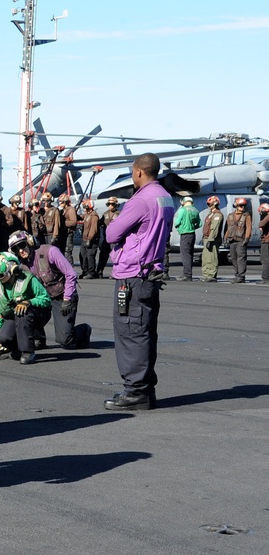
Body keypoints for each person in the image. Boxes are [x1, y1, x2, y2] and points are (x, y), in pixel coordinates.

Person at [104, 153, 174, 411]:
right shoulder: (165, 197)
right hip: (151, 273)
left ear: (139, 172)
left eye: (133, 172)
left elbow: (112, 234)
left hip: (133, 275)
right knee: (144, 333)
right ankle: (145, 388)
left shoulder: (140, 200)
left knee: (130, 332)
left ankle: (136, 391)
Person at [8, 230, 89, 350]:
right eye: (15, 249)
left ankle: (84, 330)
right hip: (43, 298)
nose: (20, 250)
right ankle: (38, 338)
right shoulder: (20, 264)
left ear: (29, 242)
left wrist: (67, 299)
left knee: (65, 340)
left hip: (61, 295)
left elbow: (71, 274)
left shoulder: (50, 251)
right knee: (25, 307)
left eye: (22, 245)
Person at [0, 251, 50, 364]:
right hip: (13, 315)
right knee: (3, 337)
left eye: (1, 274)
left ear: (12, 269)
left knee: (22, 311)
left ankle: (28, 352)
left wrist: (29, 302)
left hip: (36, 313)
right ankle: (17, 348)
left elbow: (45, 298)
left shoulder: (28, 279)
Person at [223, 198, 252, 283]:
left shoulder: (246, 216)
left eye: (244, 206)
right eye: (240, 206)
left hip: (241, 240)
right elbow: (228, 228)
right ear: (236, 206)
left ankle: (241, 276)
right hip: (232, 240)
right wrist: (225, 238)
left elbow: (249, 227)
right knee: (233, 258)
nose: (242, 207)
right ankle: (237, 274)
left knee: (241, 259)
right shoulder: (230, 216)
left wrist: (246, 238)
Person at [172, 196, 200, 281]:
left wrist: (180, 228)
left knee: (185, 255)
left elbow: (176, 222)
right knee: (190, 254)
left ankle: (187, 275)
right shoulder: (195, 210)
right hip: (192, 234)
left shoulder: (182, 210)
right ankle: (188, 273)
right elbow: (199, 224)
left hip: (184, 234)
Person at [200, 196, 223, 283]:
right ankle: (206, 274)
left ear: (215, 204)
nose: (208, 206)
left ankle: (211, 275)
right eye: (208, 204)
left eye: (210, 204)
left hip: (212, 239)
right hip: (206, 237)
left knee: (212, 258)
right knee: (205, 258)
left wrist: (211, 239)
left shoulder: (217, 215)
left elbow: (215, 228)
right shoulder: (210, 214)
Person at [96, 197, 119, 278]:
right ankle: (99, 272)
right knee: (102, 256)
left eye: (112, 204)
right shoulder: (105, 214)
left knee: (115, 257)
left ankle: (115, 273)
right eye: (109, 204)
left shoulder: (119, 214)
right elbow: (99, 223)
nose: (110, 206)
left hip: (115, 239)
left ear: (116, 205)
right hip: (106, 238)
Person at [78, 199, 100, 279]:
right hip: (84, 239)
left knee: (90, 256)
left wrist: (89, 239)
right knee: (82, 255)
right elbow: (81, 217)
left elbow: (93, 229)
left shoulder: (94, 216)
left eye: (85, 206)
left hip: (91, 240)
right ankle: (85, 271)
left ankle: (91, 272)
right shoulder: (87, 215)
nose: (84, 208)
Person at [57, 193, 79, 266]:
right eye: (59, 202)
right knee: (62, 250)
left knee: (67, 251)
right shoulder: (63, 210)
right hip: (63, 234)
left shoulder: (71, 210)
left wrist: (63, 223)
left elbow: (73, 222)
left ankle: (70, 268)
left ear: (66, 202)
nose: (60, 203)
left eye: (62, 202)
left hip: (68, 234)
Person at [259, 202, 269, 284]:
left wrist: (263, 217)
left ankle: (265, 278)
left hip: (267, 241)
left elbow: (261, 224)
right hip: (266, 240)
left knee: (265, 259)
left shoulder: (268, 217)